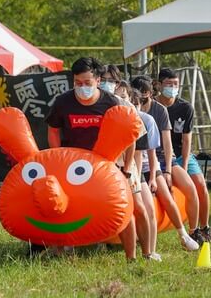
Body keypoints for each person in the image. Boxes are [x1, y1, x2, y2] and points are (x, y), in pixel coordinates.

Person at [46, 57, 144, 261]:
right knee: (59, 205)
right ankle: (59, 253)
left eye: (87, 83)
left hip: (106, 164)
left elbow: (129, 136)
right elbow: (53, 130)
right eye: (77, 83)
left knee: (125, 208)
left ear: (98, 80)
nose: (82, 88)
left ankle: (132, 257)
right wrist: (56, 159)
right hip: (72, 164)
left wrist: (126, 169)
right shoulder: (63, 102)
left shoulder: (112, 102)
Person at [130, 76, 200, 251]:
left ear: (150, 94)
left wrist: (166, 172)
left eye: (144, 95)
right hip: (135, 163)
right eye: (136, 98)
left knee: (169, 195)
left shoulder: (156, 113)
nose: (140, 101)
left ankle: (186, 233)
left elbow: (163, 147)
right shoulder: (127, 112)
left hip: (158, 161)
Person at [156, 68, 211, 243]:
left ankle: (204, 228)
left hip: (182, 154)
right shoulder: (153, 106)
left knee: (200, 185)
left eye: (176, 84)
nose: (173, 87)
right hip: (160, 155)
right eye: (169, 84)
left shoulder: (185, 107)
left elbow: (187, 140)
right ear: (159, 85)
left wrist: (182, 168)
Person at [100, 67, 154, 261]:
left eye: (111, 80)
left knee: (137, 207)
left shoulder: (126, 106)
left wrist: (127, 168)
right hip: (100, 164)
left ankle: (147, 252)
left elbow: (133, 140)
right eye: (103, 79)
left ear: (118, 83)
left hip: (124, 164)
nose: (107, 84)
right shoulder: (92, 104)